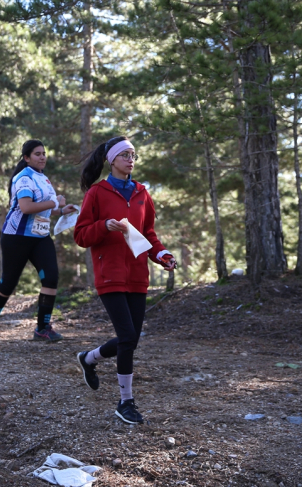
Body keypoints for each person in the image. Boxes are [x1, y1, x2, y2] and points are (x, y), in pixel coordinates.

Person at [73, 136, 176, 425]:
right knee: (128, 338)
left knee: (130, 339)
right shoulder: (97, 193)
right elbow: (81, 235)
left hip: (137, 276)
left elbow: (149, 235)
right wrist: (103, 226)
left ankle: (89, 358)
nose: (131, 160)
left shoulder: (142, 192)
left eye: (133, 155)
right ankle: (126, 402)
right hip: (110, 274)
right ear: (112, 160)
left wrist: (163, 255)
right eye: (125, 155)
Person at [0, 139, 78, 344]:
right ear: (27, 158)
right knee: (8, 283)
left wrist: (61, 210)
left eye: (44, 153)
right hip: (16, 237)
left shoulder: (43, 178)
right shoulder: (23, 178)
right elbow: (26, 207)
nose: (42, 157)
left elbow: (43, 208)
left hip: (40, 237)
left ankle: (43, 328)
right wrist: (55, 202)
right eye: (37, 154)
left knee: (51, 278)